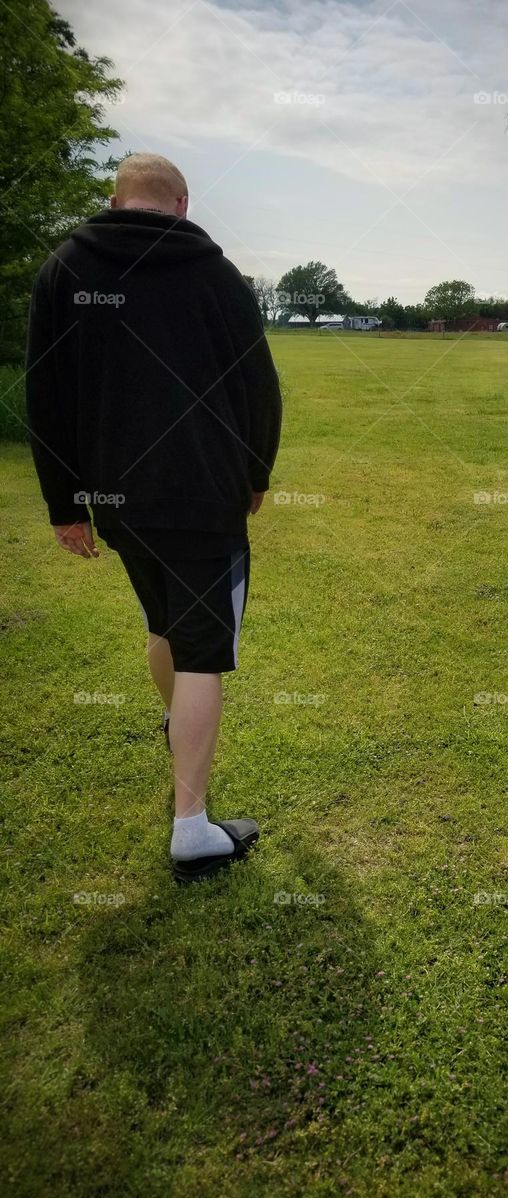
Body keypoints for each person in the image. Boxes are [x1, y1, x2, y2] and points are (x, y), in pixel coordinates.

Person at [26, 152, 282, 883]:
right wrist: (257, 471)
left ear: (115, 198)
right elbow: (257, 385)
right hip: (204, 496)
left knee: (164, 624)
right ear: (180, 203)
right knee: (201, 650)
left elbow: (45, 395)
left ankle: (181, 735)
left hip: (115, 499)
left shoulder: (62, 270)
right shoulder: (216, 275)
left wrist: (65, 502)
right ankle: (193, 831)